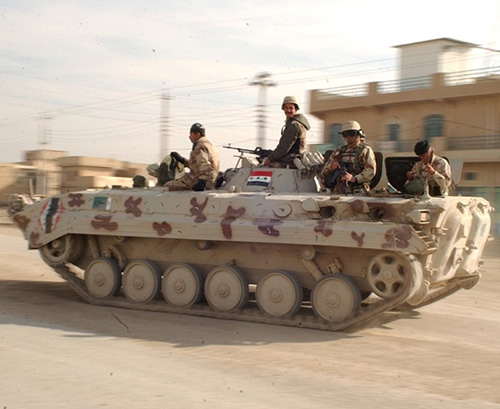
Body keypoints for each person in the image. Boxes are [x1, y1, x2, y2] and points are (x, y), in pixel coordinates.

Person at [321, 120, 376, 195]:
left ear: (358, 134)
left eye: (351, 134)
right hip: (338, 190)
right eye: (345, 134)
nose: (348, 137)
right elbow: (324, 171)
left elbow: (370, 171)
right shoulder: (339, 151)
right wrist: (331, 166)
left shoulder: (366, 150)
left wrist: (354, 178)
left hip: (358, 190)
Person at [166, 123, 220, 191]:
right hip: (211, 180)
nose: (189, 137)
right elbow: (197, 165)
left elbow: (204, 165)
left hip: (198, 180)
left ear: (197, 134)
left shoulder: (200, 146)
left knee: (167, 186)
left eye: (191, 134)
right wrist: (182, 160)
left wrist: (201, 181)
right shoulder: (211, 146)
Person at [262, 96, 310, 167]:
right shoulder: (297, 123)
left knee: (265, 165)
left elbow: (284, 147)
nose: (288, 110)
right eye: (286, 108)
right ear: (283, 109)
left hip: (292, 159)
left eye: (291, 108)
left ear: (296, 109)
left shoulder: (294, 125)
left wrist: (270, 158)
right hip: (295, 158)